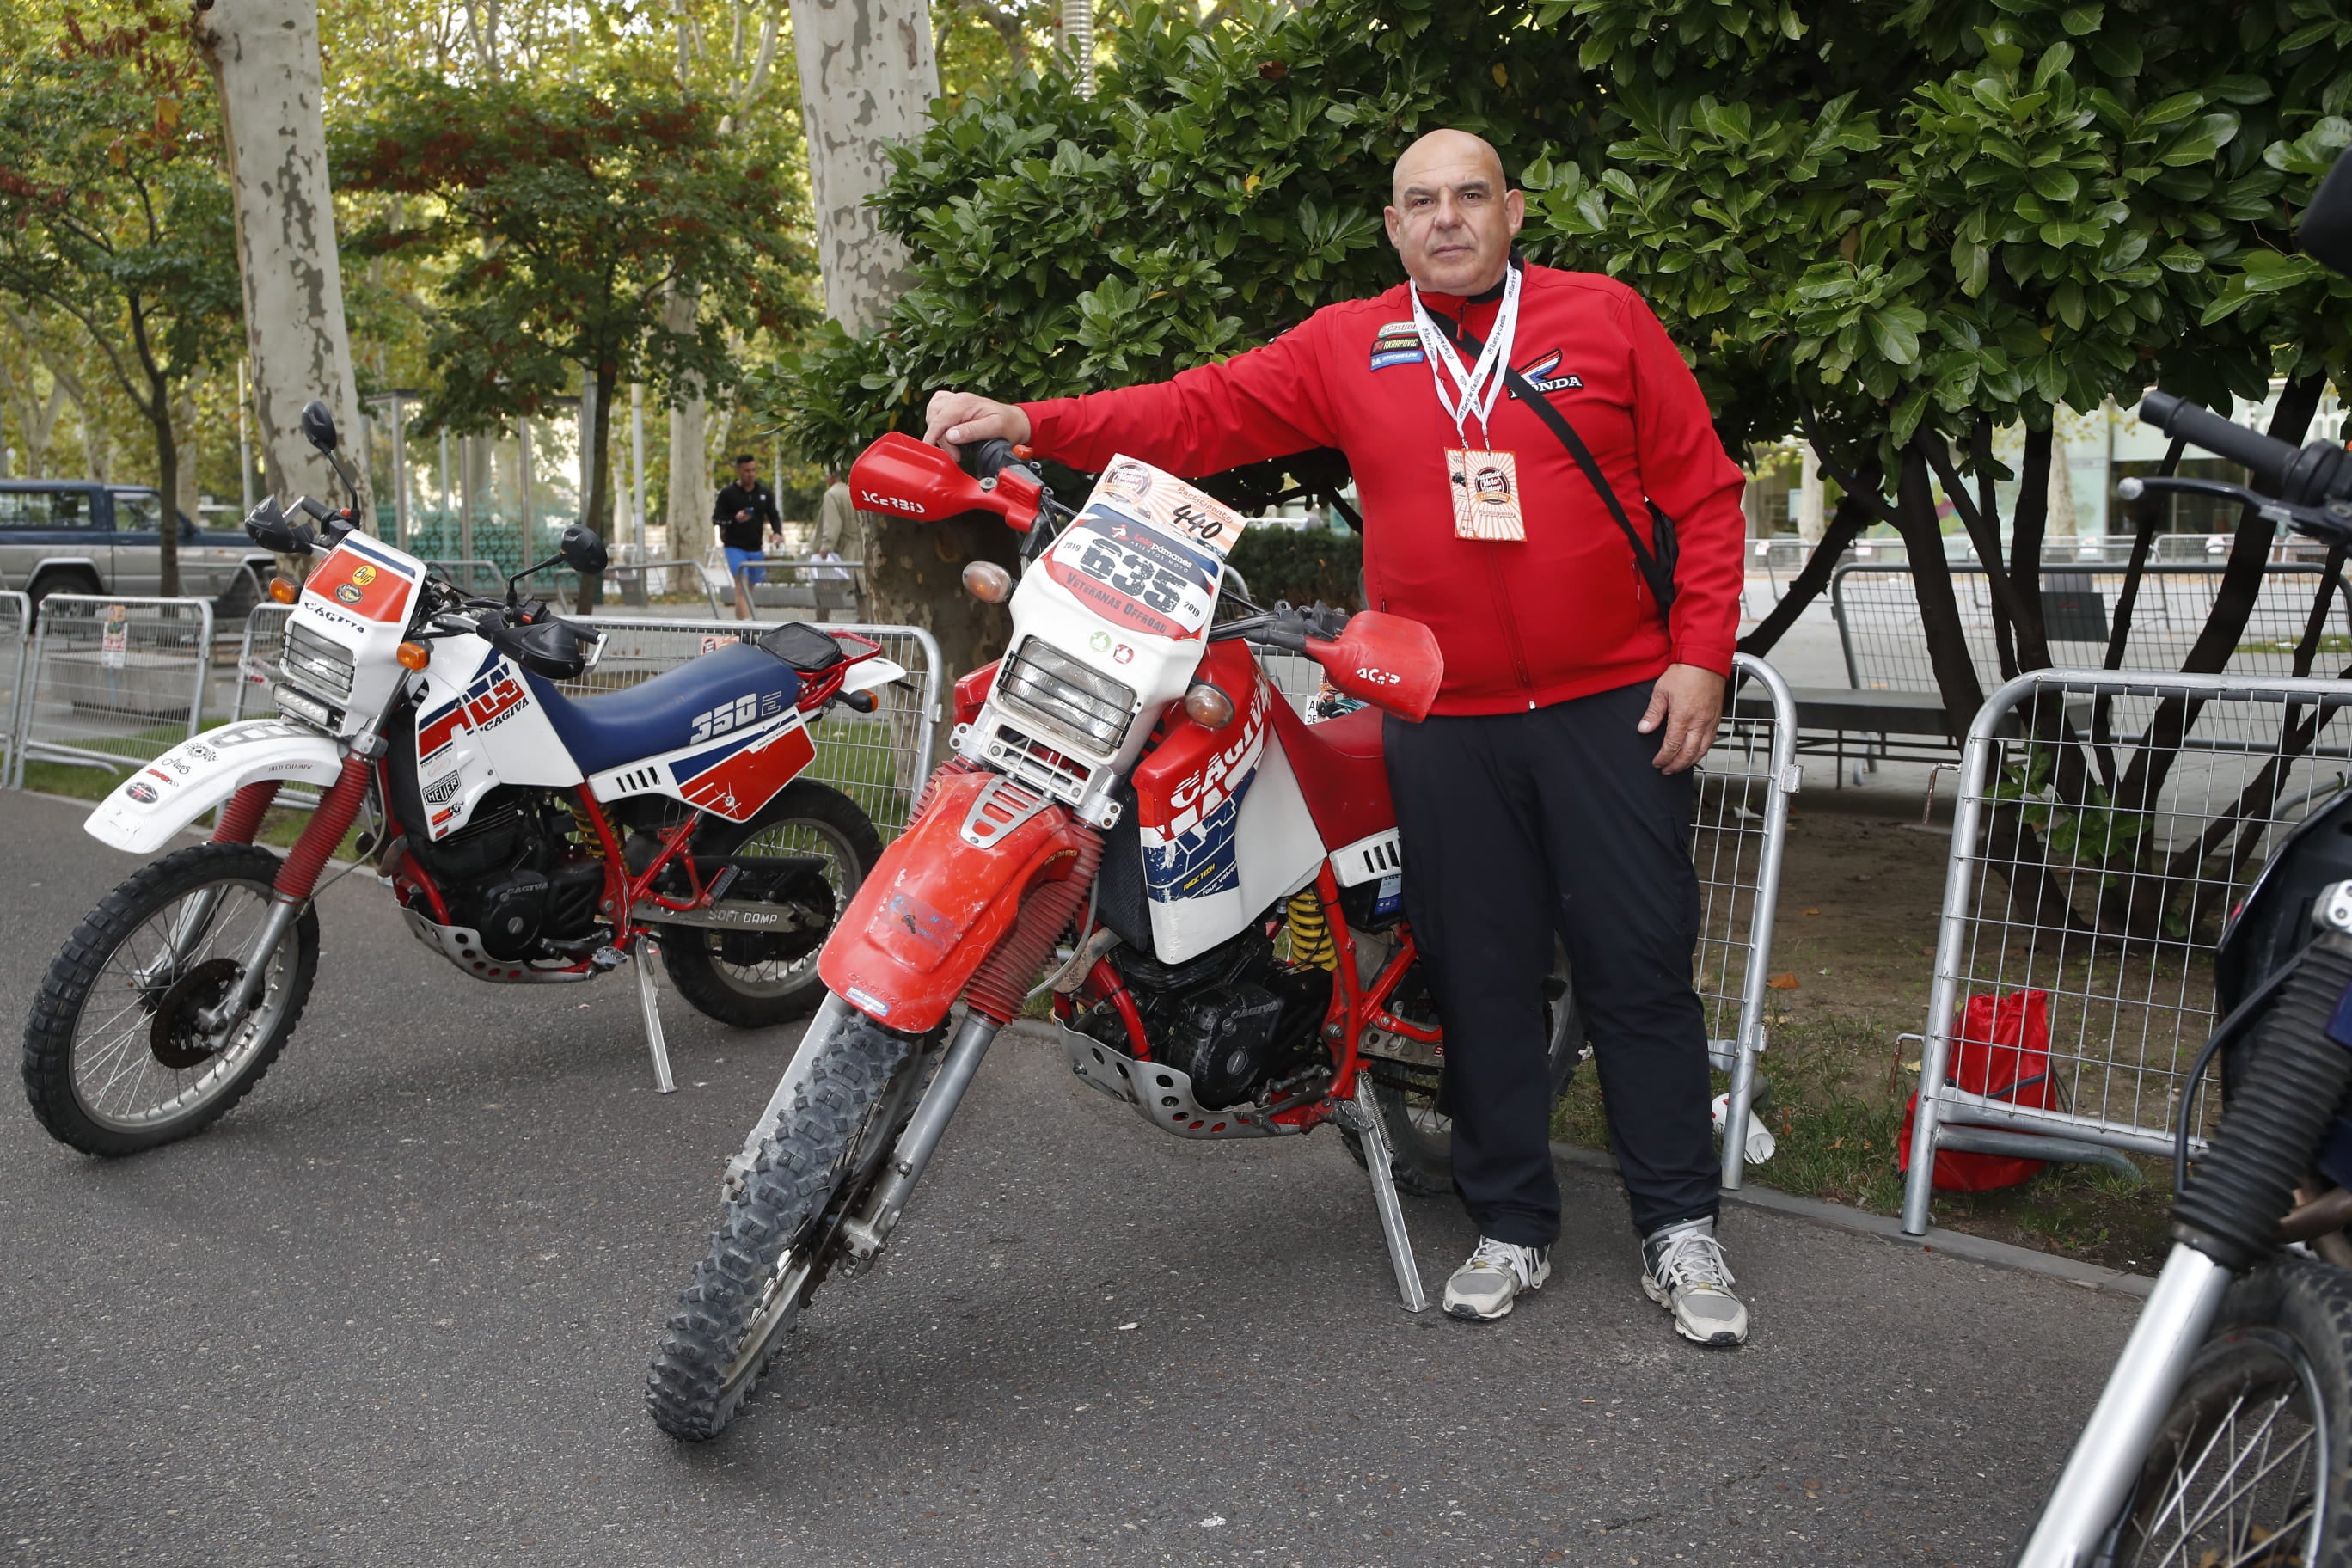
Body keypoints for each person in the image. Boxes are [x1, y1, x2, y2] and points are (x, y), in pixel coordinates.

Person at [922, 129, 1751, 1345]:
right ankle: (1512, 1226)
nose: (1448, 219)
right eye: (1422, 203)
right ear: (1392, 226)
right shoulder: (1350, 344)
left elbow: (1704, 491)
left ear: (1514, 211)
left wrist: (1700, 655)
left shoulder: (1605, 319)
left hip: (1607, 705)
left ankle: (1681, 1232)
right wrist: (1037, 421)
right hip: (1441, 714)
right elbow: (1197, 414)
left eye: (1472, 196)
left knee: (1637, 970)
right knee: (1482, 977)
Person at [714, 453, 780, 620]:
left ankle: (742, 625)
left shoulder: (764, 493)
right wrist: (734, 519)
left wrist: (777, 533)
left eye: (753, 470)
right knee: (741, 587)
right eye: (746, 471)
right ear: (738, 471)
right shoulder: (728, 494)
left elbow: (773, 515)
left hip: (756, 548)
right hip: (734, 547)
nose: (750, 474)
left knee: (749, 589)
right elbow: (716, 518)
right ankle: (747, 629)